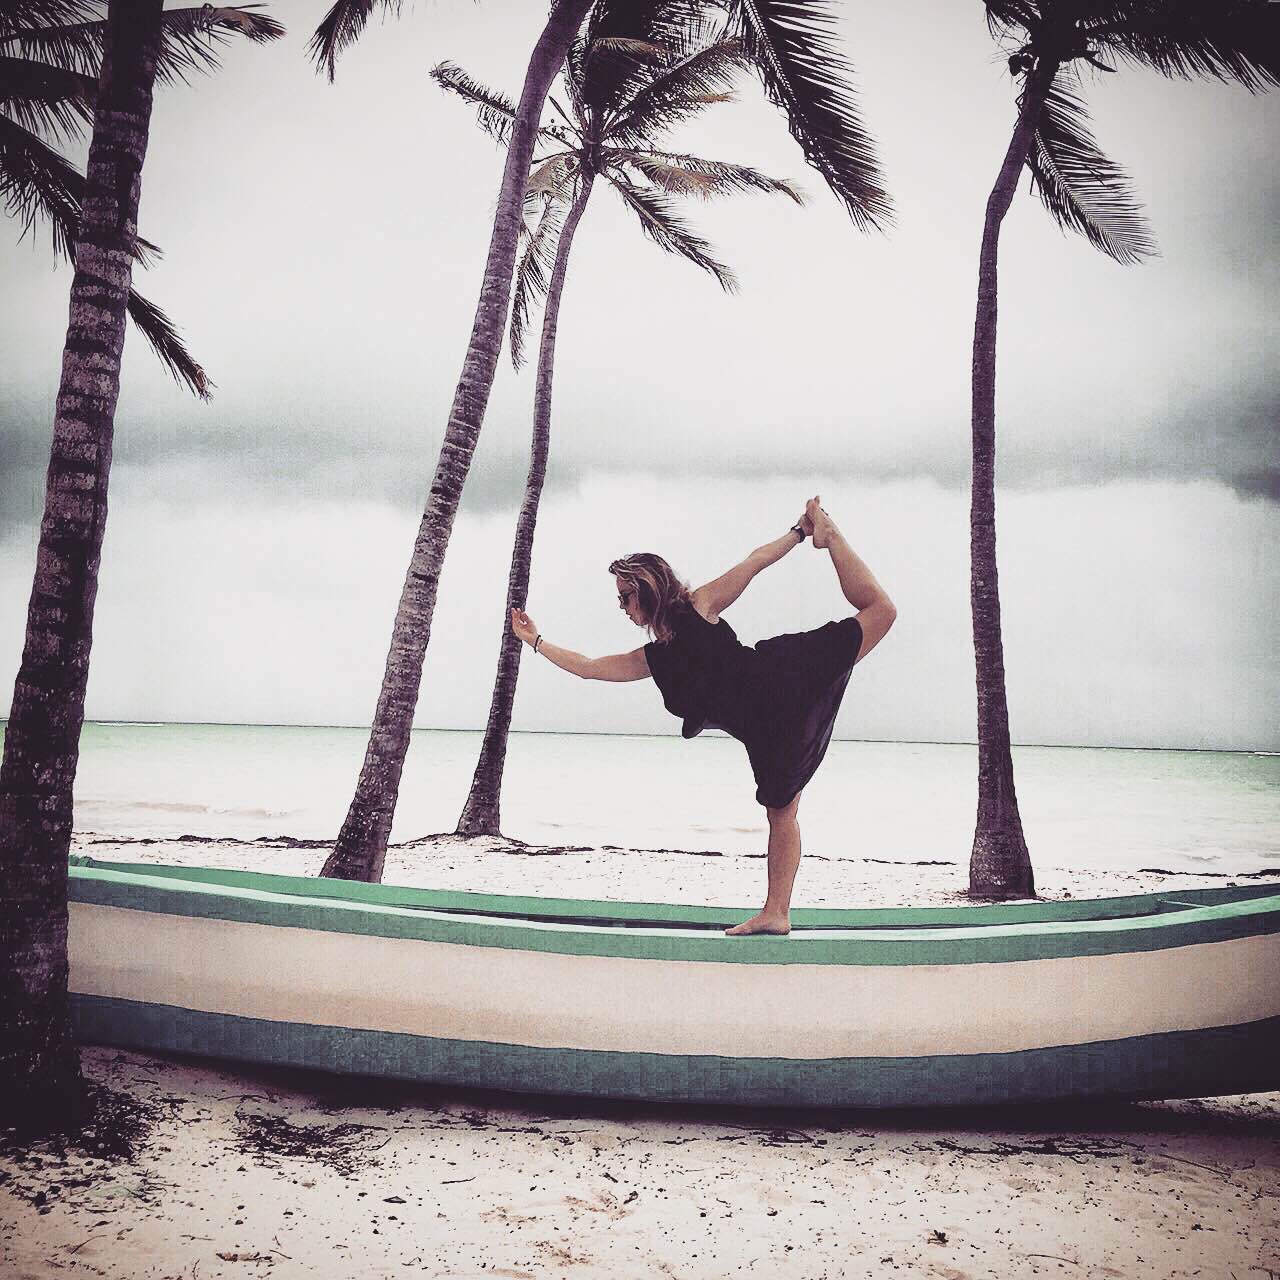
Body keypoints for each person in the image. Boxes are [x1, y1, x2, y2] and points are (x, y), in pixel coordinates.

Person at [510, 496, 896, 936]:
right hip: (767, 730)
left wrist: (798, 532)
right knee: (781, 813)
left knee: (882, 612)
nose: (622, 608)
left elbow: (753, 563)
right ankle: (776, 913)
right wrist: (536, 641)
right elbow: (589, 668)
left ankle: (830, 536)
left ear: (647, 588)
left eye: (624, 597)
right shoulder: (654, 658)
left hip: (784, 677)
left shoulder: (699, 605)